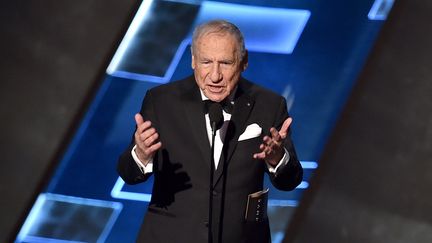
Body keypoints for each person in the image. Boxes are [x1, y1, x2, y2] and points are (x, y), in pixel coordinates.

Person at [117, 20, 303, 243]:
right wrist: (142, 154)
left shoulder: (269, 105)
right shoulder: (162, 101)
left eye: (225, 63)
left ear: (243, 62)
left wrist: (277, 159)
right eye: (206, 62)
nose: (215, 76)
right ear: (193, 61)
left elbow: (290, 181)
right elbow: (128, 174)